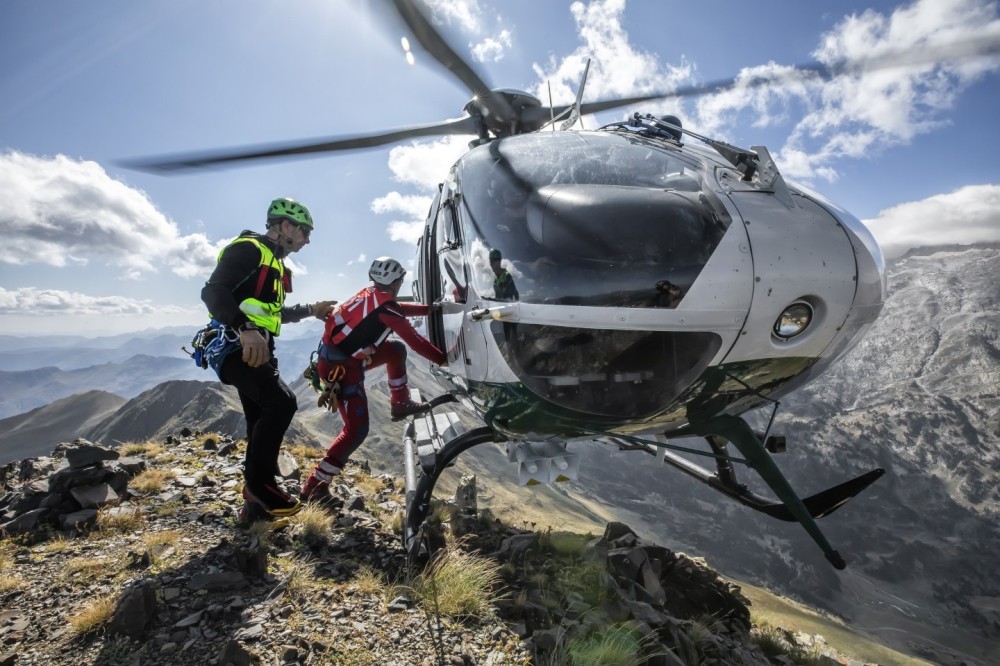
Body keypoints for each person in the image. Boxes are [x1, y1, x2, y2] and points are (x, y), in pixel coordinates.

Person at [201, 197, 335, 520]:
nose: (307, 240)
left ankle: (255, 510)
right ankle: (258, 487)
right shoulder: (249, 249)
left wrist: (311, 311)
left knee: (258, 417)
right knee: (282, 402)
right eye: (304, 232)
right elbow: (213, 291)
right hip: (235, 344)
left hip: (256, 348)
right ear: (286, 226)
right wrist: (244, 328)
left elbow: (275, 313)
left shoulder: (273, 263)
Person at [299, 257, 447, 501]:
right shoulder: (386, 308)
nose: (401, 283)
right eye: (400, 280)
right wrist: (444, 360)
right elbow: (416, 341)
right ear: (396, 281)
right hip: (344, 370)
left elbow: (396, 310)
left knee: (395, 351)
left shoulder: (370, 293)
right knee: (356, 431)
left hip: (336, 361)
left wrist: (428, 309)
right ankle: (314, 486)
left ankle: (400, 403)